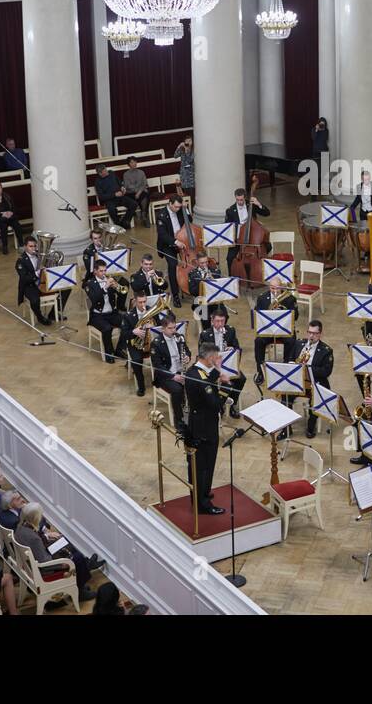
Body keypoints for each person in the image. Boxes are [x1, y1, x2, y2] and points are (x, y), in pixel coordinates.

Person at [13, 502, 97, 602]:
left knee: (69, 546)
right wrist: (63, 565)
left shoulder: (20, 527)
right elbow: (45, 563)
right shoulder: (34, 539)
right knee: (77, 558)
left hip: (34, 561)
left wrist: (46, 537)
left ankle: (81, 579)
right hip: (44, 570)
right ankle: (80, 591)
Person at [183, 345, 230, 514]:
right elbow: (216, 404)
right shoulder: (200, 379)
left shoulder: (195, 371)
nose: (219, 360)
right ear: (210, 359)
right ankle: (202, 504)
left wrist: (217, 372)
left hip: (200, 423)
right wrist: (225, 389)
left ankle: (202, 493)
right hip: (204, 428)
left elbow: (209, 379)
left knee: (203, 465)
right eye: (217, 358)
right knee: (204, 465)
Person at [252, 278, 299, 381]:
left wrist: (284, 312)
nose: (275, 291)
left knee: (291, 341)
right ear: (269, 287)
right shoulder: (262, 298)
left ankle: (287, 369)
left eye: (278, 288)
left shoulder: (289, 298)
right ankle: (260, 372)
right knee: (258, 341)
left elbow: (296, 317)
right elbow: (256, 315)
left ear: (281, 287)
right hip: (268, 331)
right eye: (273, 288)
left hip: (284, 330)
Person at [152, 313, 192, 425]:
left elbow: (188, 351)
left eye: (174, 327)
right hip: (165, 376)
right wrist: (173, 376)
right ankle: (178, 419)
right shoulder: (156, 344)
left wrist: (187, 357)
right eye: (170, 328)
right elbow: (158, 366)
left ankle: (192, 412)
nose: (173, 330)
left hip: (180, 371)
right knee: (177, 390)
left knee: (195, 381)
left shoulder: (180, 338)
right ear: (163, 329)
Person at [295, 319, 334, 436]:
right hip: (297, 381)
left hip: (315, 382)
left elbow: (326, 371)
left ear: (320, 334)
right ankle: (286, 427)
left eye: (314, 333)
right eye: (309, 332)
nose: (311, 336)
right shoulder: (299, 344)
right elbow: (290, 359)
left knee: (316, 396)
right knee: (284, 394)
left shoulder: (326, 350)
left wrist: (308, 369)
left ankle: (311, 425)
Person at [154, 194, 191, 307]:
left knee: (191, 262)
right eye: (176, 207)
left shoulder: (180, 209)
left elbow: (189, 221)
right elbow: (162, 234)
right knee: (173, 265)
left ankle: (191, 286)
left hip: (183, 242)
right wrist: (175, 242)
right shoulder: (161, 215)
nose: (177, 209)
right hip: (168, 245)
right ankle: (175, 295)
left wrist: (185, 209)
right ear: (170, 203)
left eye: (179, 207)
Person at [224, 186, 269, 275]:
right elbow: (228, 227)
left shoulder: (251, 204)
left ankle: (262, 273)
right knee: (229, 258)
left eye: (241, 199)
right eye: (238, 200)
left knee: (268, 247)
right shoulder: (230, 211)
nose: (240, 202)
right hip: (238, 239)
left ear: (245, 197)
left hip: (253, 237)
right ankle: (232, 277)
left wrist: (258, 203)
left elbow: (267, 213)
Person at [86, 263, 124, 363]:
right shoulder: (90, 283)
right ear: (95, 271)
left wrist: (117, 287)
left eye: (105, 271)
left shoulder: (109, 280)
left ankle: (119, 349)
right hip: (97, 315)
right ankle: (109, 353)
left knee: (127, 322)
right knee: (107, 328)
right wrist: (105, 287)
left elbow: (121, 295)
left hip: (111, 313)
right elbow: (94, 299)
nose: (103, 273)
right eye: (101, 271)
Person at [15, 236, 52, 326]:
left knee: (65, 289)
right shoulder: (21, 261)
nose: (33, 248)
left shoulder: (39, 255)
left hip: (43, 283)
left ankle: (53, 314)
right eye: (30, 246)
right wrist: (36, 274)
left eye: (35, 246)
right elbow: (24, 278)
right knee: (35, 300)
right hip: (30, 286)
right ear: (25, 247)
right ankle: (40, 317)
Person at [0, 181, 25, 251]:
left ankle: (21, 244)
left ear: (1, 188)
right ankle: (5, 246)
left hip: (9, 217)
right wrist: (2, 214)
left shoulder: (7, 196)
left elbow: (14, 208)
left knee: (16, 224)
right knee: (3, 226)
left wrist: (10, 212)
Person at [94, 164, 134, 229]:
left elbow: (120, 182)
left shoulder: (111, 173)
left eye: (106, 170)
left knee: (133, 204)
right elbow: (101, 197)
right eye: (105, 172)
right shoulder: (98, 182)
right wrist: (114, 194)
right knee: (111, 209)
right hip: (109, 200)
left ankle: (125, 221)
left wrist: (122, 187)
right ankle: (118, 225)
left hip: (120, 196)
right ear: (100, 173)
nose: (107, 172)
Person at [122, 157, 151, 226]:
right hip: (131, 193)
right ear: (128, 164)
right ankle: (143, 216)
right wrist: (137, 191)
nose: (134, 163)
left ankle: (144, 216)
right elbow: (128, 186)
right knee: (141, 196)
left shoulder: (141, 172)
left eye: (135, 162)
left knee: (145, 195)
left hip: (140, 192)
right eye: (132, 162)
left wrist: (139, 192)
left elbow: (145, 184)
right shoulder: (126, 174)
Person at [173, 136, 195, 201]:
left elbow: (190, 160)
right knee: (186, 195)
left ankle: (192, 209)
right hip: (184, 176)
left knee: (192, 195)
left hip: (191, 176)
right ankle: (187, 209)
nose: (188, 142)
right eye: (186, 141)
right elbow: (175, 156)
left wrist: (186, 150)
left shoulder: (194, 150)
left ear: (192, 142)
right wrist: (179, 146)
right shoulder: (182, 149)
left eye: (189, 141)